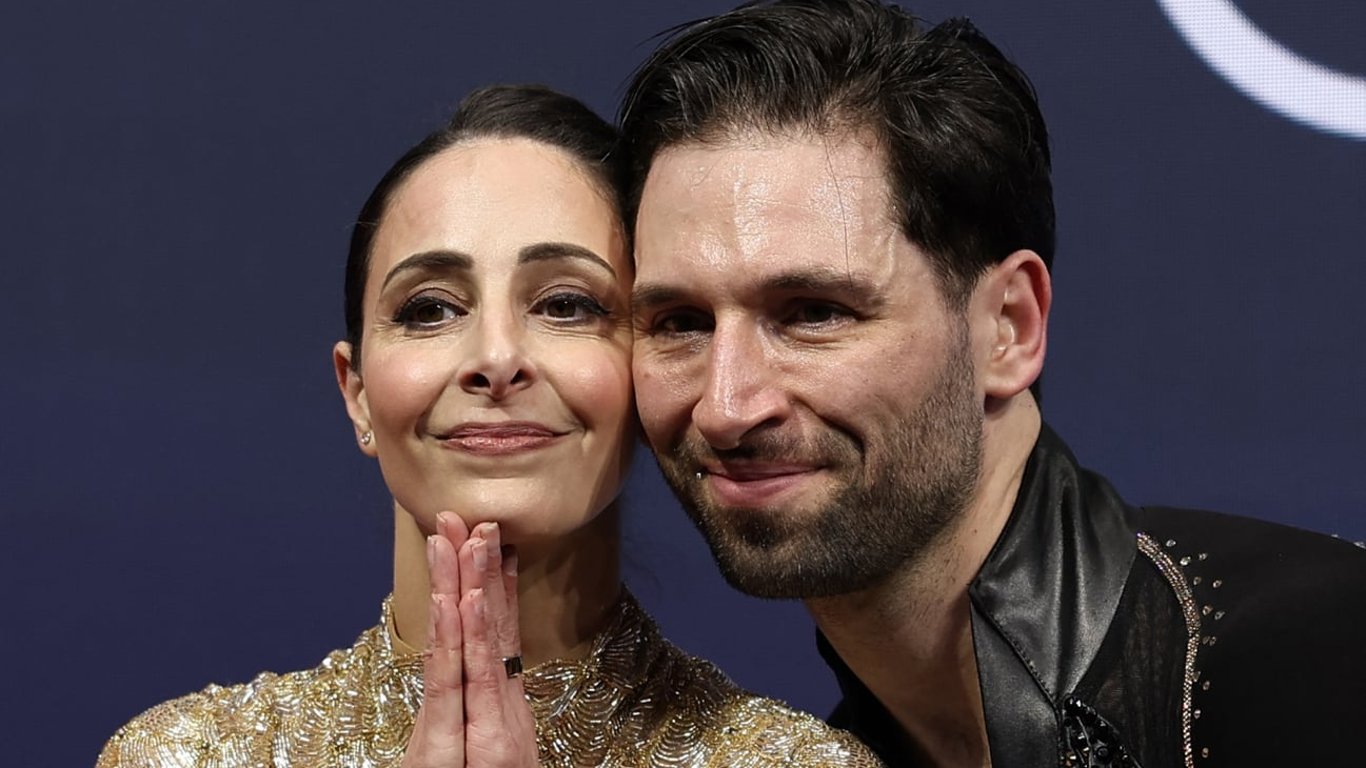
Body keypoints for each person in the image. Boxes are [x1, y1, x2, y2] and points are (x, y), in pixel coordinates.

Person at [618, 1, 1366, 766]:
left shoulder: (1302, 654)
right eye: (680, 323)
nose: (727, 406)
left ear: (1009, 326)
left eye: (814, 313)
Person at [96, 84, 879, 768]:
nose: (497, 359)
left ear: (648, 372)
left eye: (566, 304)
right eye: (429, 309)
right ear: (356, 393)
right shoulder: (183, 756)